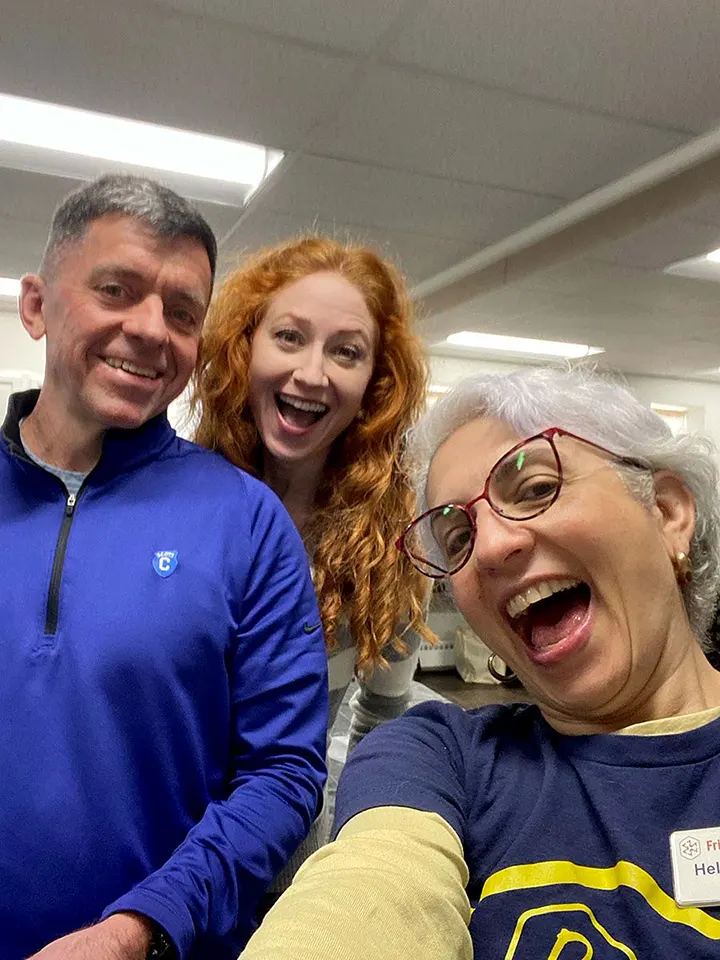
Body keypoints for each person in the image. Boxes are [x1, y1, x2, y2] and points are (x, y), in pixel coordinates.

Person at [239, 365, 720, 959]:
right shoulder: (437, 756)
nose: (490, 548)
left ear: (669, 511)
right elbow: (373, 887)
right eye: (458, 537)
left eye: (538, 488)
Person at [0, 175, 328, 960]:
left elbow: (282, 774)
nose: (151, 330)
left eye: (183, 312)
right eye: (117, 289)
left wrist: (138, 930)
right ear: (38, 305)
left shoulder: (247, 523)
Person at [192, 236, 435, 758]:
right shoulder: (175, 508)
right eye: (288, 337)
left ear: (376, 382)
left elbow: (383, 722)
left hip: (293, 834)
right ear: (245, 347)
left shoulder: (390, 550)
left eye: (346, 351)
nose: (310, 373)